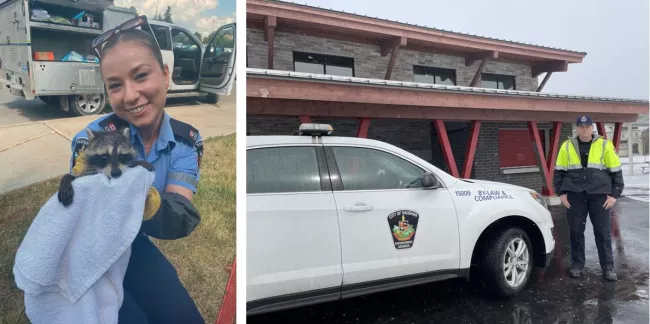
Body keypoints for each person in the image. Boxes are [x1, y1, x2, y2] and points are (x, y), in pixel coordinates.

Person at [68, 16, 205, 323]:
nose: (129, 95)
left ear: (166, 74)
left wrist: (147, 200)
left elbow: (178, 215)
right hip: (88, 250)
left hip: (132, 243)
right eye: (115, 85)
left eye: (141, 76)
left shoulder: (186, 143)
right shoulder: (91, 141)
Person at [553, 115, 624, 281]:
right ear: (576, 128)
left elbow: (616, 171)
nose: (584, 129)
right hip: (575, 196)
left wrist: (614, 194)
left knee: (603, 232)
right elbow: (559, 172)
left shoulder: (605, 145)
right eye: (581, 127)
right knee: (576, 231)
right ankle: (577, 265)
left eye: (587, 126)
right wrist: (561, 194)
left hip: (599, 196)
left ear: (593, 128)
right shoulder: (567, 146)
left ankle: (608, 267)